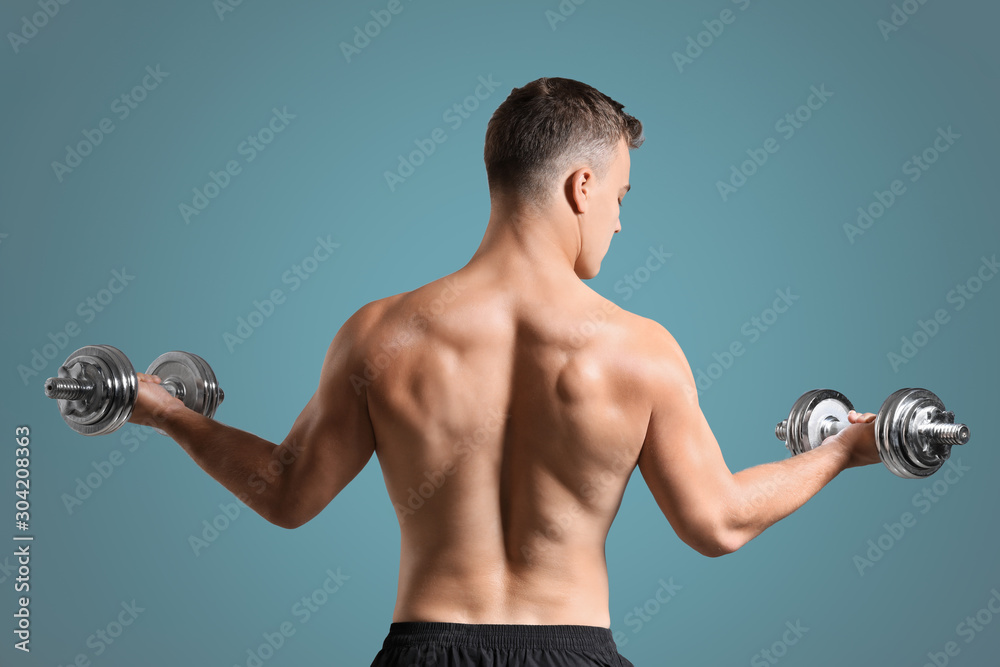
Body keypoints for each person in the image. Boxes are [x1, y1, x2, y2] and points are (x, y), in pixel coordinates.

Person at [128, 77, 882, 667]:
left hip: (422, 650)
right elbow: (717, 521)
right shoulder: (638, 348)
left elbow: (288, 493)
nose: (620, 220)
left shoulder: (381, 333)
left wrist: (165, 410)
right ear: (581, 187)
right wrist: (842, 449)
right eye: (619, 197)